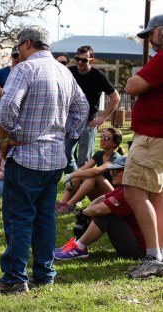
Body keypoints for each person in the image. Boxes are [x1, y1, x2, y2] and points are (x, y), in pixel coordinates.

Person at [0, 26, 88, 293]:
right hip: (55, 159)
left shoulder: (24, 69)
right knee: (45, 218)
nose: (18, 51)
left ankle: (15, 278)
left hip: (27, 156)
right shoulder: (64, 71)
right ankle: (44, 273)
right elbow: (82, 107)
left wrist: (8, 136)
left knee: (19, 218)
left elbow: (7, 108)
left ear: (27, 43)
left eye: (19, 46)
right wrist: (67, 135)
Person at [122, 14, 163, 280]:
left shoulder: (162, 59)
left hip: (151, 138)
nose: (148, 38)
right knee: (156, 196)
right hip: (157, 138)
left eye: (152, 32)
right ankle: (158, 253)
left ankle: (153, 257)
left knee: (134, 193)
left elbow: (131, 86)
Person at [55, 156, 146, 261]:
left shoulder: (130, 193)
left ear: (129, 172)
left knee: (105, 212)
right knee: (102, 207)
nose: (112, 174)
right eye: (111, 171)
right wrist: (87, 211)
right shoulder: (124, 188)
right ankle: (76, 244)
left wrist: (83, 213)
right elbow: (102, 198)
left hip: (139, 251)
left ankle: (79, 247)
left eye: (115, 171)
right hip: (137, 243)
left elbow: (98, 210)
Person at [64, 45, 121, 174]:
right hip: (71, 121)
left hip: (89, 122)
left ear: (91, 60)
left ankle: (79, 185)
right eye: (77, 58)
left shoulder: (98, 76)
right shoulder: (69, 72)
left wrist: (103, 117)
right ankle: (74, 180)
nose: (79, 62)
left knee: (84, 160)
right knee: (65, 155)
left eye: (84, 60)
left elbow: (115, 97)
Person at [57, 128, 124, 214]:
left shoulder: (116, 157)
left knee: (94, 176)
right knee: (79, 175)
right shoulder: (100, 154)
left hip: (113, 197)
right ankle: (61, 204)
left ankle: (70, 205)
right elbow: (84, 168)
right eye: (102, 136)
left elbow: (97, 171)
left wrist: (72, 175)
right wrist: (72, 175)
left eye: (106, 138)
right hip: (100, 197)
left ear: (114, 143)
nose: (102, 139)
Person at [0, 49, 21, 118]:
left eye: (19, 56)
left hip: (19, 116)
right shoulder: (1, 72)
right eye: (15, 55)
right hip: (1, 115)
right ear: (11, 56)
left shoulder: (26, 73)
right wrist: (17, 94)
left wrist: (1, 91)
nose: (17, 58)